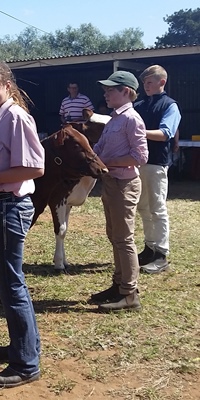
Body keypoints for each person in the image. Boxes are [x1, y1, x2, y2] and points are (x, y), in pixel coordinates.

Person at [0, 59, 44, 389]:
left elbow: (33, 169)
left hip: (9, 206)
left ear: (7, 87)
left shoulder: (15, 118)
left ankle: (26, 364)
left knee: (12, 285)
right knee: (5, 283)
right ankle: (21, 347)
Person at [90, 71, 148, 312]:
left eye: (111, 90)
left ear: (126, 92)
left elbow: (140, 156)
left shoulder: (132, 119)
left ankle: (130, 293)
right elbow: (100, 148)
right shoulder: (114, 119)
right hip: (112, 183)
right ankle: (119, 285)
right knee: (115, 236)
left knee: (124, 239)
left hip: (124, 184)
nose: (106, 93)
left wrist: (106, 163)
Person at [134, 65, 181, 274]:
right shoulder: (140, 105)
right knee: (143, 207)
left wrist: (138, 131)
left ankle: (161, 254)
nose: (146, 86)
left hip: (156, 163)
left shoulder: (170, 106)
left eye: (149, 82)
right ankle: (149, 248)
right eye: (144, 83)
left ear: (162, 82)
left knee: (158, 208)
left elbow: (165, 133)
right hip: (139, 163)